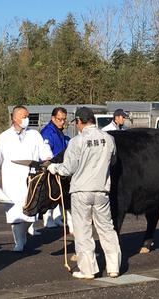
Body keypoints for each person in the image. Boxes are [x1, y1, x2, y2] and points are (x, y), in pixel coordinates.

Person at [47, 107, 122, 279]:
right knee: (107, 229)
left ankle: (88, 270)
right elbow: (114, 161)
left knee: (83, 231)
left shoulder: (76, 141)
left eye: (76, 123)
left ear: (80, 121)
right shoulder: (109, 139)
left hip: (81, 191)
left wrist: (54, 167)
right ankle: (113, 267)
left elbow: (67, 169)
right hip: (102, 190)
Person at [0, 105, 53, 252]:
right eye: (24, 116)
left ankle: (24, 234)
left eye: (27, 116)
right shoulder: (4, 137)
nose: (27, 119)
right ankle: (19, 241)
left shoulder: (34, 135)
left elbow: (44, 150)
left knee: (30, 212)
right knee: (15, 213)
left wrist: (48, 158)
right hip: (12, 180)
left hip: (31, 180)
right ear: (14, 117)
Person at [39, 107, 73, 230]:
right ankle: (47, 219)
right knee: (50, 194)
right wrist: (50, 163)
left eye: (64, 119)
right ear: (53, 118)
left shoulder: (60, 131)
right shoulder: (48, 132)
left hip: (60, 168)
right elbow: (45, 149)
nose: (63, 122)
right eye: (60, 119)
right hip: (51, 167)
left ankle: (57, 217)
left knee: (60, 194)